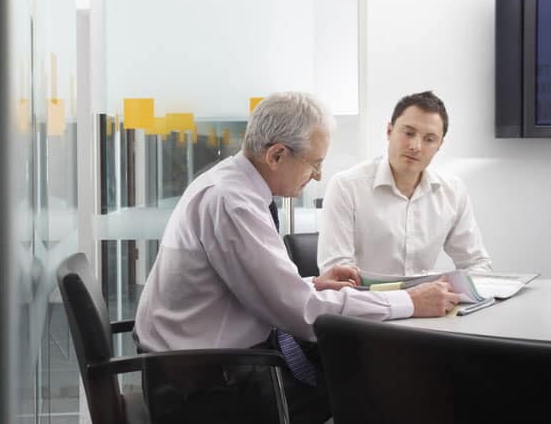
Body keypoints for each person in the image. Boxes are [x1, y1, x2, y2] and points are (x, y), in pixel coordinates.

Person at [133, 92, 459, 424]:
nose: (318, 175)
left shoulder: (232, 184)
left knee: (358, 373)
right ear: (276, 155)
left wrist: (312, 283)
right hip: (206, 389)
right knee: (372, 385)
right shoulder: (232, 203)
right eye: (315, 163)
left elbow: (249, 285)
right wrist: (409, 302)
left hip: (203, 368)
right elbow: (302, 313)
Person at [317, 91, 492, 275]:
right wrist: (405, 300)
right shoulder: (346, 186)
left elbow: (477, 263)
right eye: (408, 133)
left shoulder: (452, 190)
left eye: (429, 139)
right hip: (366, 301)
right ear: (389, 131)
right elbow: (335, 274)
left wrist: (454, 290)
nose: (415, 146)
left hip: (429, 302)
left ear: (440, 145)